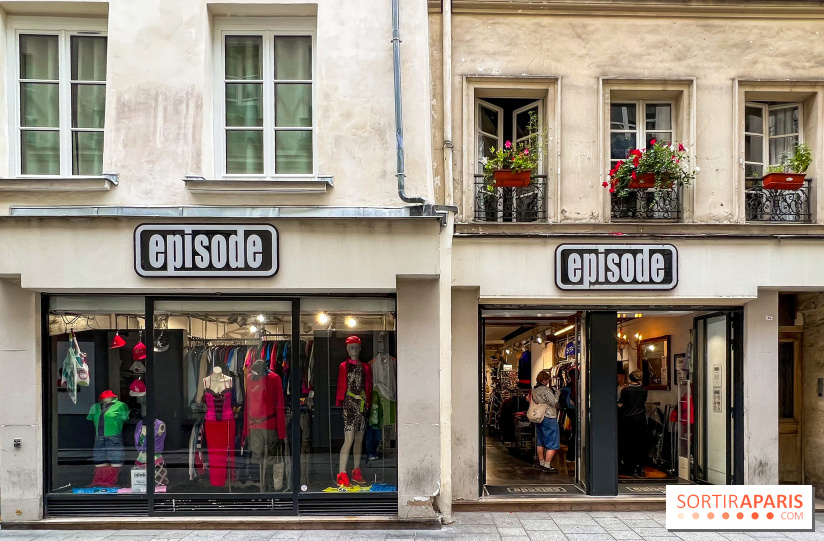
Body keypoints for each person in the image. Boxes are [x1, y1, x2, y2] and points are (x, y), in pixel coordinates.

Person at [618, 369, 648, 477]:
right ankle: (640, 468)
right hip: (641, 419)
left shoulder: (626, 391)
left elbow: (620, 405)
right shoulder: (644, 390)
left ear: (630, 379)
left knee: (627, 444)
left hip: (628, 420)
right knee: (640, 444)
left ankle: (629, 469)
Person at [531, 370, 560, 474]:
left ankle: (542, 462)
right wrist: (557, 393)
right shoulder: (546, 390)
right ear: (544, 380)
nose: (548, 381)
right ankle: (547, 465)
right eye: (548, 379)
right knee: (552, 441)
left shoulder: (535, 389)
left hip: (539, 417)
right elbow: (554, 402)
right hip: (549, 416)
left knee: (541, 441)